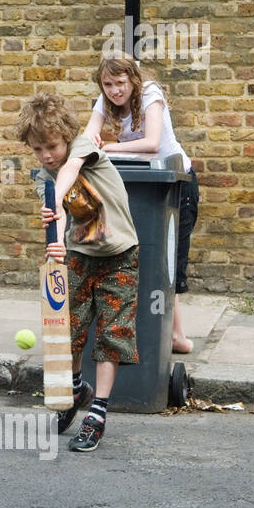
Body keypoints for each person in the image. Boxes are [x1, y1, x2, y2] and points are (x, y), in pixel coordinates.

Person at [18, 92, 140, 453]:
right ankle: (74, 391)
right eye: (37, 149)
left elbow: (70, 170)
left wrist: (55, 198)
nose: (47, 156)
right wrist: (54, 244)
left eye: (52, 146)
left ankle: (97, 413)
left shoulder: (84, 146)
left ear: (66, 137)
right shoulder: (44, 175)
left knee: (111, 334)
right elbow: (58, 227)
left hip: (120, 255)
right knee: (68, 330)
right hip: (80, 256)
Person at [84, 56, 198, 354]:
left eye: (120, 83)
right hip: (142, 183)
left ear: (133, 81)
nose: (115, 91)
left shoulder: (150, 94)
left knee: (168, 260)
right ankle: (170, 335)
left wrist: (105, 147)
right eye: (108, 84)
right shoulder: (105, 98)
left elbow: (152, 143)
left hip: (175, 183)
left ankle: (176, 336)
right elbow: (87, 138)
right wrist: (88, 144)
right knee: (143, 259)